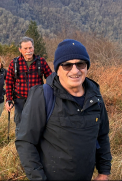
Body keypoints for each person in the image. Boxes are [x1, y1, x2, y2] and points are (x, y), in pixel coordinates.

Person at [15, 39, 112, 180]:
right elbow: (26, 141)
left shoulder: (95, 96)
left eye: (80, 64)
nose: (75, 71)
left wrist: (104, 172)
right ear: (58, 70)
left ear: (87, 67)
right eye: (67, 65)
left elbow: (102, 136)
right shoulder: (43, 96)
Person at [5, 36, 52, 134]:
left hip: (37, 100)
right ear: (20, 50)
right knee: (20, 126)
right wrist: (9, 100)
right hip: (20, 100)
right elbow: (9, 82)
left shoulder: (41, 62)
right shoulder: (14, 63)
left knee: (38, 125)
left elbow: (51, 78)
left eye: (30, 48)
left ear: (33, 48)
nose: (28, 51)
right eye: (25, 48)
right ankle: (21, 148)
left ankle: (37, 147)